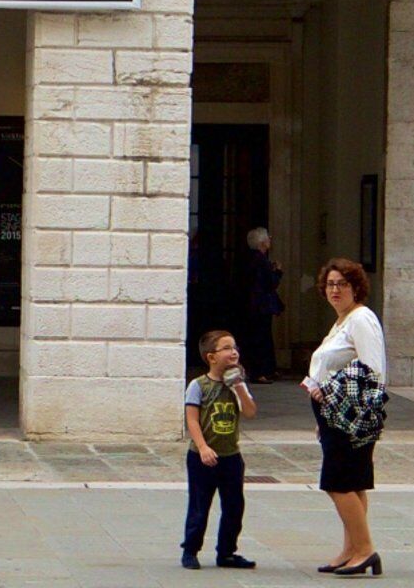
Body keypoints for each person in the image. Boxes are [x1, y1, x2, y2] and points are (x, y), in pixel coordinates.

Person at [300, 259, 387, 576]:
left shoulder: (361, 319)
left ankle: (365, 550)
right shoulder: (343, 321)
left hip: (350, 415)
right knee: (354, 482)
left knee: (337, 482)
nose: (335, 289)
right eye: (330, 284)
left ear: (356, 287)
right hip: (335, 414)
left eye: (342, 284)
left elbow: (372, 368)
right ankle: (352, 549)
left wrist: (334, 398)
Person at [181, 326, 258, 570]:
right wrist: (202, 447)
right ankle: (190, 550)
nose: (233, 352)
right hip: (202, 458)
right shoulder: (199, 385)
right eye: (226, 348)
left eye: (234, 347)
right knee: (199, 507)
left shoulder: (237, 384)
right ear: (211, 357)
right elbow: (192, 419)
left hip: (231, 457)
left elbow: (250, 412)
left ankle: (226, 552)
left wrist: (239, 389)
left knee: (234, 507)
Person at [237, 227, 286, 377]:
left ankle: (266, 370)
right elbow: (270, 283)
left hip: (251, 304)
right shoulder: (260, 260)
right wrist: (277, 271)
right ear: (262, 242)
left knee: (258, 337)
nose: (270, 239)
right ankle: (261, 372)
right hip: (261, 306)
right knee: (262, 339)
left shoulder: (249, 259)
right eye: (268, 237)